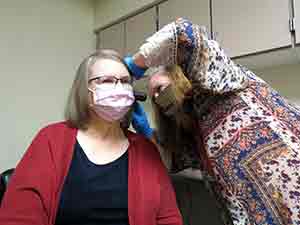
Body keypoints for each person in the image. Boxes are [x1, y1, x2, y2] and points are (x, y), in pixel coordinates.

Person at [126, 18, 300, 225]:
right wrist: (146, 132)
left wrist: (134, 65)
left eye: (160, 89)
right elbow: (172, 161)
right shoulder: (200, 133)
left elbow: (182, 33)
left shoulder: (223, 82)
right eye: (154, 98)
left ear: (181, 75)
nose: (159, 99)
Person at [0, 49, 182, 225]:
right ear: (85, 91)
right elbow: (18, 216)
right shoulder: (51, 139)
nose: (118, 88)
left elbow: (168, 218)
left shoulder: (146, 149)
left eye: (125, 81)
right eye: (107, 81)